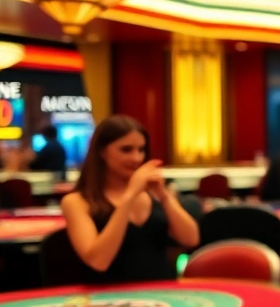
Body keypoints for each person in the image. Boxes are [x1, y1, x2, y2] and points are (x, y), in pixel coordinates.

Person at [61, 115, 199, 282]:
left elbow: (191, 239)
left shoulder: (155, 194)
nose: (136, 158)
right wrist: (130, 194)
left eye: (141, 150)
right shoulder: (76, 202)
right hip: (109, 295)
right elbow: (99, 261)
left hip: (163, 291)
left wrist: (165, 196)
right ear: (101, 152)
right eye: (126, 150)